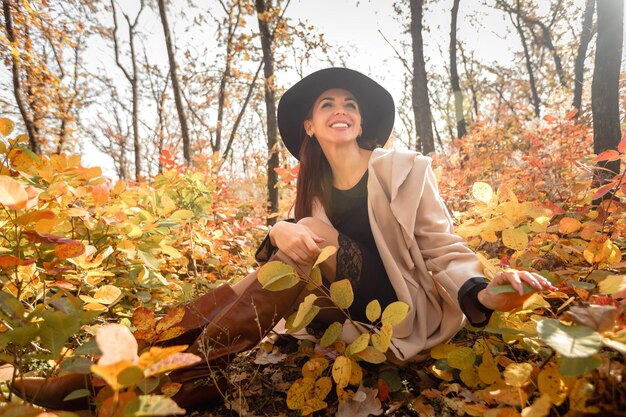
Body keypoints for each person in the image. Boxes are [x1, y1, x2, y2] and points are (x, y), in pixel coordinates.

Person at [11, 68, 557, 411]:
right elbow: (280, 260)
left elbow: (441, 245)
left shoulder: (403, 169)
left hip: (400, 313)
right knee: (268, 262)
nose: (340, 110)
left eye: (348, 104)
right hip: (339, 314)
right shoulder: (315, 188)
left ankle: (127, 377)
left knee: (309, 236)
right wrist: (281, 226)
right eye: (327, 106)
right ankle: (164, 378)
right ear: (310, 128)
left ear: (360, 120)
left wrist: (483, 293)